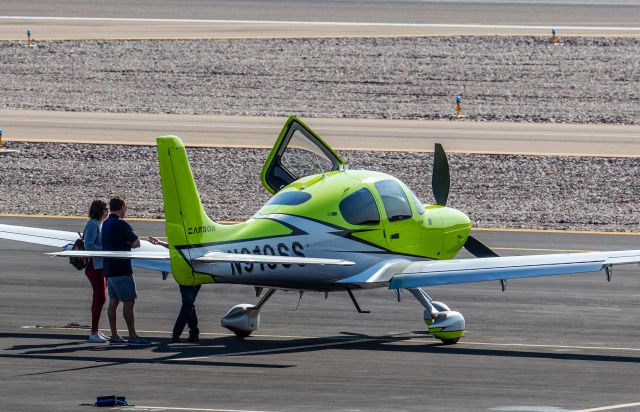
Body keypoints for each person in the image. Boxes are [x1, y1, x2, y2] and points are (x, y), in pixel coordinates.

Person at [101, 197, 151, 346]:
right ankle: (132, 335)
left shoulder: (106, 223)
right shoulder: (121, 223)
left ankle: (115, 335)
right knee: (128, 302)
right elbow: (136, 242)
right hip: (122, 269)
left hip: (108, 268)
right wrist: (127, 242)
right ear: (122, 207)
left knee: (113, 301)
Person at [148, 236, 200, 343]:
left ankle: (194, 332)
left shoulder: (184, 237)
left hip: (182, 274)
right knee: (188, 304)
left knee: (189, 303)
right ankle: (177, 333)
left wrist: (160, 243)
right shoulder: (196, 238)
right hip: (193, 274)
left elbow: (174, 247)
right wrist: (160, 243)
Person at [83, 199, 109, 343]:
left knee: (99, 298)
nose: (107, 212)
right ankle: (93, 332)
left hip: (99, 265)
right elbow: (89, 245)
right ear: (100, 211)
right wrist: (106, 251)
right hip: (95, 266)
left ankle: (96, 330)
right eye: (106, 209)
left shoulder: (97, 224)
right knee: (100, 298)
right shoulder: (93, 224)